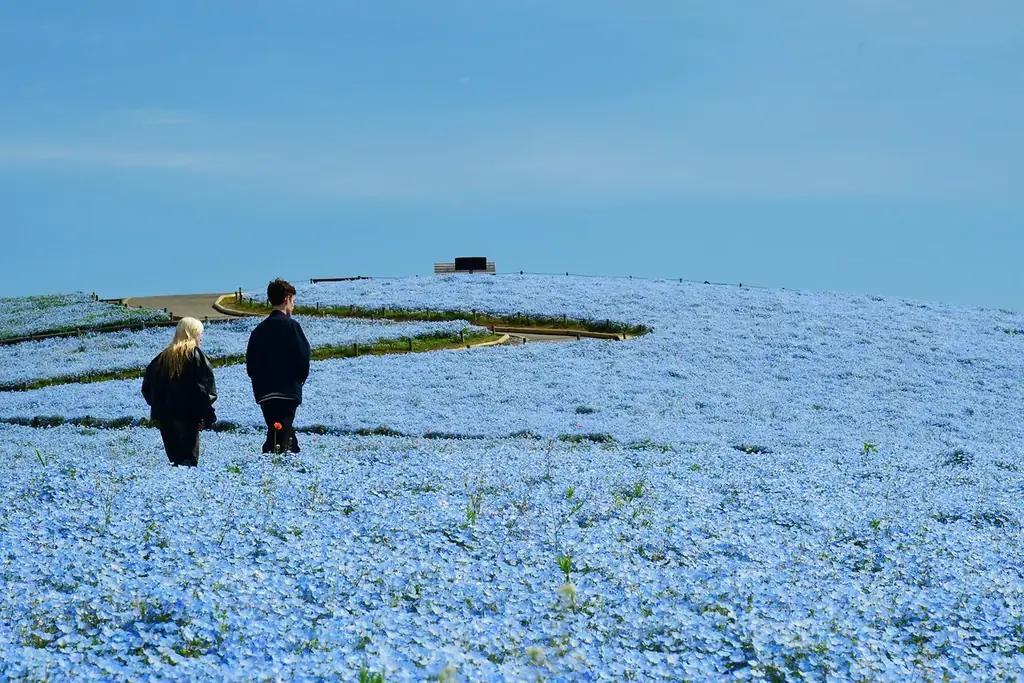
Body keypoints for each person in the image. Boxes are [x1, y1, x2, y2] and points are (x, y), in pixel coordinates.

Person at [246, 278, 311, 454]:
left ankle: (289, 457)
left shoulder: (258, 331)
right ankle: (272, 459)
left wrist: (260, 382)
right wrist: (299, 380)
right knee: (281, 431)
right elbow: (303, 357)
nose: (294, 306)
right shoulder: (292, 327)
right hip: (287, 391)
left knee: (279, 428)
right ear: (287, 299)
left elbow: (250, 364)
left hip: (265, 393)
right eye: (293, 301)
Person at [141, 317, 217, 467]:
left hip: (166, 420)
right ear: (193, 333)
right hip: (189, 418)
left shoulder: (162, 358)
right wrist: (208, 416)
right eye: (200, 334)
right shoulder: (195, 356)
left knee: (175, 461)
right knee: (188, 461)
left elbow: (147, 389)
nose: (201, 338)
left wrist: (160, 408)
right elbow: (203, 389)